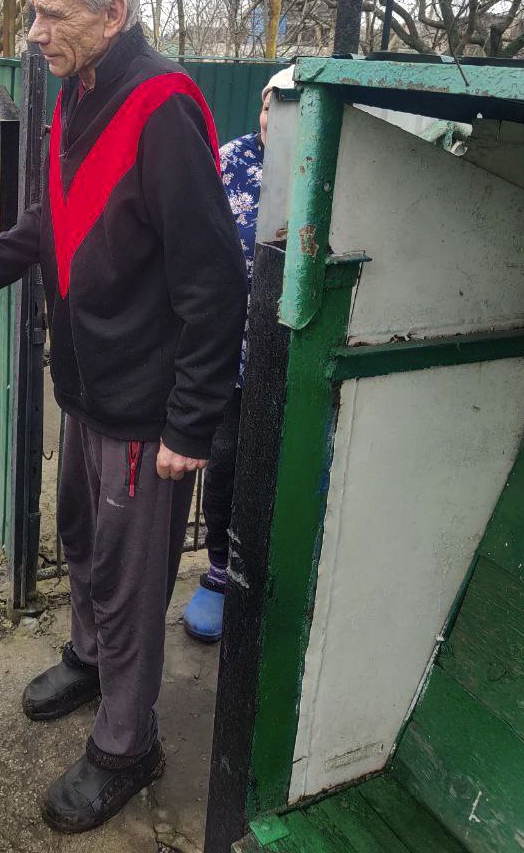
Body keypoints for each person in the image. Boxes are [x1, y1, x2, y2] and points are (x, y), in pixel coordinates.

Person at [0, 0, 247, 833]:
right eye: (34, 9)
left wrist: (189, 426)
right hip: (85, 386)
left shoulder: (161, 105)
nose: (33, 30)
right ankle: (89, 660)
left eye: (51, 12)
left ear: (112, 14)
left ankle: (128, 741)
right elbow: (54, 222)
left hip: (142, 407)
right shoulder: (74, 93)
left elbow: (215, 281)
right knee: (82, 542)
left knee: (129, 582)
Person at [183, 66, 294, 643]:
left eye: (295, 105)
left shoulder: (324, 167)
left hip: (294, 354)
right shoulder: (228, 162)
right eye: (275, 103)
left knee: (284, 465)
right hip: (230, 353)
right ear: (262, 106)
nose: (280, 117)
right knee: (224, 462)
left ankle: (278, 579)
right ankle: (221, 573)